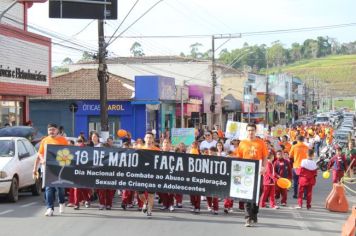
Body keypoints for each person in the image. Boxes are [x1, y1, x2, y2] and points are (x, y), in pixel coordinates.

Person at [235, 123, 268, 227]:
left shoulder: (261, 142)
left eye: (252, 130)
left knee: (259, 191)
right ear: (246, 131)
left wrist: (264, 167)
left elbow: (265, 157)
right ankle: (248, 217)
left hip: (258, 171)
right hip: (245, 173)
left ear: (255, 131)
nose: (251, 132)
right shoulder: (242, 143)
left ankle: (254, 212)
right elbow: (239, 158)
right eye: (249, 130)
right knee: (247, 194)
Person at [32, 123, 68, 216]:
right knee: (49, 188)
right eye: (49, 130)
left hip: (60, 168)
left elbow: (68, 152)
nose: (51, 131)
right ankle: (50, 208)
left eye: (53, 129)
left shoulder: (63, 140)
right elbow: (40, 153)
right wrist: (42, 159)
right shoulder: (44, 140)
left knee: (60, 188)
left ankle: (61, 202)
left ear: (57, 130)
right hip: (47, 168)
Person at [138, 131, 160, 217]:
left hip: (152, 175)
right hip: (141, 175)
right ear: (144, 139)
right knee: (141, 194)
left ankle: (149, 210)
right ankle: (145, 202)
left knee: (151, 194)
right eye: (147, 137)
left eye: (150, 138)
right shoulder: (140, 149)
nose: (148, 139)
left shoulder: (157, 150)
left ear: (153, 140)